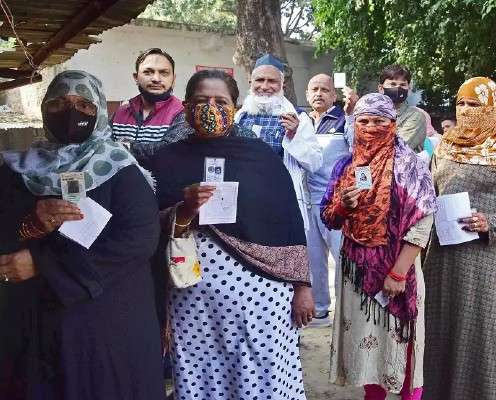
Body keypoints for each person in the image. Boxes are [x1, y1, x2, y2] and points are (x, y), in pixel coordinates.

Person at [0, 70, 163, 399]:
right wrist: (28, 224)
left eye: (84, 105)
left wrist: (41, 264)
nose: (71, 112)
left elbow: (139, 239)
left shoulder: (120, 167)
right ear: (43, 109)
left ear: (99, 112)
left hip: (103, 325)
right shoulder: (18, 169)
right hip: (31, 325)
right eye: (59, 103)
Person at [147, 69, 314, 399]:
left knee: (261, 373)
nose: (210, 108)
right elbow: (148, 229)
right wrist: (185, 209)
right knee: (202, 372)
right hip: (192, 298)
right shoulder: (166, 160)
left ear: (235, 107)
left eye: (220, 101)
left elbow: (290, 223)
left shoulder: (261, 157)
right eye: (200, 101)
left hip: (262, 298)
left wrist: (303, 287)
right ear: (184, 106)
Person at [423, 77, 496, 400]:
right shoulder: (446, 142)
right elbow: (433, 188)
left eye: (473, 104)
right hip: (442, 251)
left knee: (478, 327)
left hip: (483, 255)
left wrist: (493, 221)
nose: (465, 110)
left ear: (491, 106)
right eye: (460, 103)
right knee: (441, 322)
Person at [322, 93, 437, 399]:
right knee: (369, 342)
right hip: (356, 272)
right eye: (364, 121)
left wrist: (398, 273)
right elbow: (329, 217)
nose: (371, 127)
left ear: (393, 124)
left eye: (379, 121)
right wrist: (343, 206)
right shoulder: (346, 166)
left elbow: (423, 221)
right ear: (354, 124)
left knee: (403, 338)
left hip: (398, 268)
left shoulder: (410, 165)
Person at [235, 53, 323, 231]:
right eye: (259, 80)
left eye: (272, 81)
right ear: (251, 83)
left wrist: (294, 136)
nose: (265, 86)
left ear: (282, 84)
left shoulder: (299, 118)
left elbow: (315, 163)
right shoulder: (239, 116)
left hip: (281, 202)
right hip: (243, 202)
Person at [304, 73, 351, 326]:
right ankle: (320, 308)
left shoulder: (344, 121)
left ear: (334, 95)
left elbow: (357, 154)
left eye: (325, 89)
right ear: (307, 93)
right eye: (314, 89)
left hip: (335, 202)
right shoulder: (301, 121)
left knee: (340, 256)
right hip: (307, 200)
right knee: (313, 259)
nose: (319, 93)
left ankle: (345, 310)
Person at [111, 47, 185, 164]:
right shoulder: (121, 112)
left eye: (164, 73)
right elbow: (102, 145)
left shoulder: (182, 112)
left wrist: (126, 146)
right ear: (136, 78)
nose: (156, 79)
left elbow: (169, 150)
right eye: (148, 72)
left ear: (173, 79)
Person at [377, 64, 427, 152]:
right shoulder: (372, 114)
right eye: (393, 84)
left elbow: (396, 149)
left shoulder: (416, 116)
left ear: (409, 88)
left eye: (403, 84)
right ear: (381, 88)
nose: (398, 88)